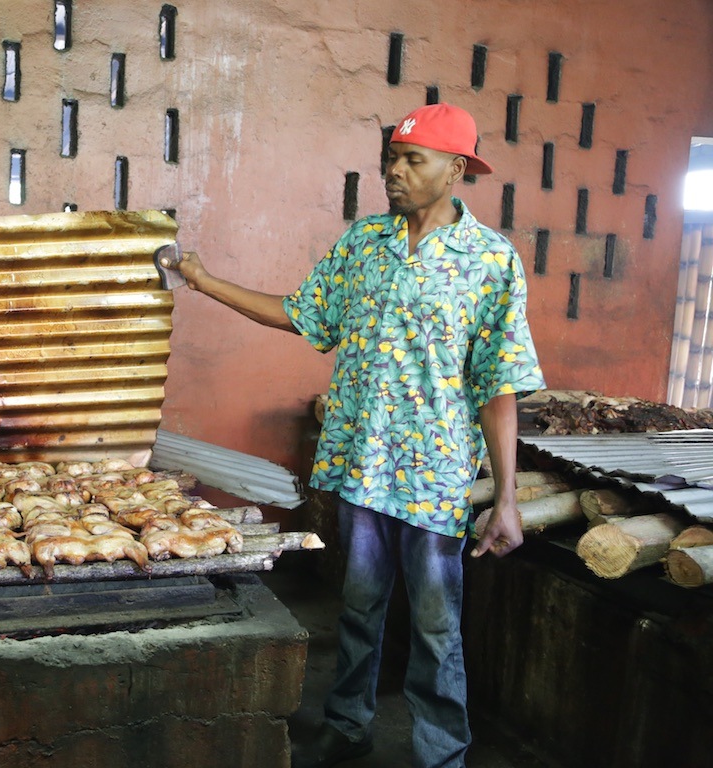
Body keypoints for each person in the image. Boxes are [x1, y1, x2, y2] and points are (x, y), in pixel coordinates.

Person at [162, 103, 545, 768]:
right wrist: (202, 280)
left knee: (433, 625)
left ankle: (441, 752)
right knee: (359, 606)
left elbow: (498, 383)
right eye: (389, 160)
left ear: (456, 170)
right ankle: (347, 722)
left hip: (434, 479)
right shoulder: (364, 243)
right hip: (362, 467)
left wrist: (506, 496)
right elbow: (300, 315)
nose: (393, 173)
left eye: (411, 161)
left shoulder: (490, 261)